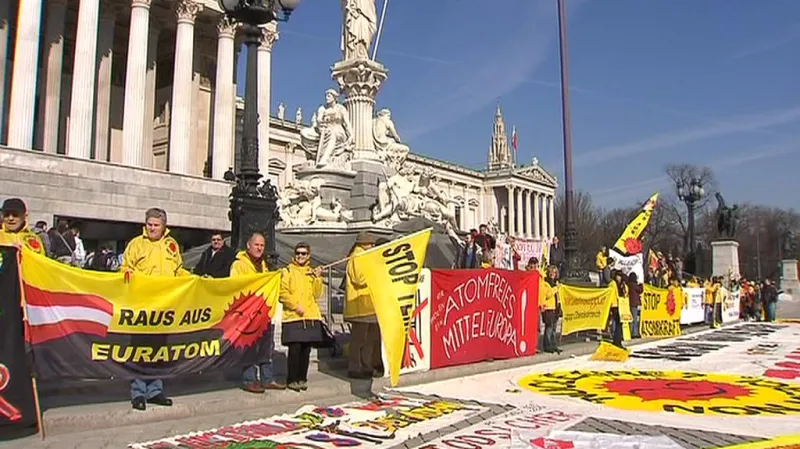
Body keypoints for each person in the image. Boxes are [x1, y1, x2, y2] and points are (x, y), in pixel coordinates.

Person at [121, 207, 187, 411]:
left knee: (159, 352)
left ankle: (155, 390)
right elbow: (125, 270)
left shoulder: (171, 245)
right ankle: (138, 392)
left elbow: (178, 271)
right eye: (149, 224)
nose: (152, 228)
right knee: (140, 352)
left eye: (156, 225)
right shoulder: (136, 244)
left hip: (164, 308)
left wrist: (195, 281)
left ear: (164, 226)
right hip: (142, 308)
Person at [230, 232, 284, 393]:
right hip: (247, 313)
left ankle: (267, 379)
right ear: (248, 245)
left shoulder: (265, 264)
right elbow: (235, 286)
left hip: (264, 312)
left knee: (266, 346)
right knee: (249, 346)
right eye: (256, 244)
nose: (259, 248)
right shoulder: (239, 265)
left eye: (262, 245)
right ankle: (249, 379)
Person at [279, 242, 325, 392]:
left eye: (303, 253)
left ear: (308, 256)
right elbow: (283, 293)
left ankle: (302, 378)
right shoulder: (287, 271)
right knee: (295, 349)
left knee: (306, 350)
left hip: (310, 316)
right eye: (298, 253)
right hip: (293, 316)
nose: (300, 256)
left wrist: (318, 278)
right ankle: (292, 379)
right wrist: (295, 305)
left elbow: (317, 294)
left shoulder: (311, 272)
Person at [344, 231, 381, 379]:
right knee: (359, 339)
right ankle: (355, 366)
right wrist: (375, 272)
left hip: (369, 304)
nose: (372, 245)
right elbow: (359, 279)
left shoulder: (366, 257)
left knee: (370, 338)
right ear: (362, 244)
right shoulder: (357, 257)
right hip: (359, 305)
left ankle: (367, 365)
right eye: (370, 243)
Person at [540, 265, 561, 354]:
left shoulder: (556, 282)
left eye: (555, 273)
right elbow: (547, 295)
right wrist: (556, 288)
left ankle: (554, 345)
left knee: (554, 328)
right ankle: (547, 345)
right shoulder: (546, 283)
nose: (553, 274)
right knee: (549, 327)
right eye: (551, 272)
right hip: (548, 308)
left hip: (555, 307)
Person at [609, 271, 626, 348]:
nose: (619, 278)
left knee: (620, 323)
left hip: (621, 305)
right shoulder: (613, 283)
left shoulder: (622, 284)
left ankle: (618, 340)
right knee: (617, 323)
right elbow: (612, 294)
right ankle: (616, 340)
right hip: (615, 305)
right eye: (618, 276)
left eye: (620, 276)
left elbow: (624, 293)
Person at [627, 272, 643, 339]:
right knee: (634, 318)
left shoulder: (628, 284)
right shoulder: (634, 285)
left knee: (632, 318)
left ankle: (630, 332)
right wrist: (641, 285)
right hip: (634, 303)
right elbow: (640, 290)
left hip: (629, 302)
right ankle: (634, 333)